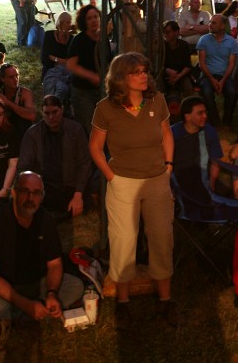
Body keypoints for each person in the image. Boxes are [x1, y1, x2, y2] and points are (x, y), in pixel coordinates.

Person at [90, 52, 175, 308]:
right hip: (123, 182)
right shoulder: (105, 108)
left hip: (157, 180)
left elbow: (167, 135)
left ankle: (165, 298)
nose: (144, 76)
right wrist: (111, 177)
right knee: (123, 240)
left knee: (162, 237)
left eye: (145, 71)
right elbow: (95, 147)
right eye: (136, 72)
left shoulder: (157, 100)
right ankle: (123, 301)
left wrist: (168, 166)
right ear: (121, 77)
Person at [0, 171, 86, 329]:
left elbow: (55, 264)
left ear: (42, 197)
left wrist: (52, 293)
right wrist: (26, 305)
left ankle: (24, 313)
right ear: (14, 193)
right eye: (24, 191)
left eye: (36, 193)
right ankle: (31, 310)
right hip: (5, 286)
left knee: (75, 286)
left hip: (37, 283)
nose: (30, 198)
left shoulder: (46, 220)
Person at [18, 95, 97, 219]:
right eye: (47, 113)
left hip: (70, 187)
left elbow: (85, 163)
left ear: (62, 109)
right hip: (44, 189)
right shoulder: (33, 134)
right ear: (42, 112)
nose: (51, 117)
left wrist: (78, 194)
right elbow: (24, 166)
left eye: (55, 112)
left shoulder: (75, 129)